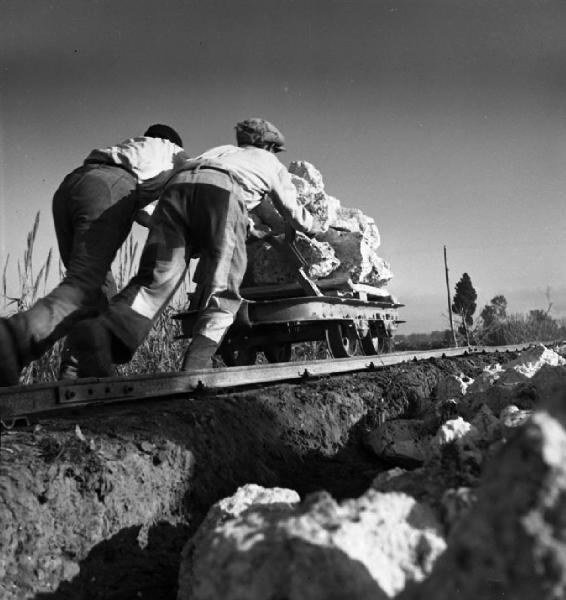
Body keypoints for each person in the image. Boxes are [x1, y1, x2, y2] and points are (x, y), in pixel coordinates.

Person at [65, 118, 325, 377]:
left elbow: (206, 191)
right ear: (269, 147)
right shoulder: (270, 163)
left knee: (155, 281)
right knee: (223, 289)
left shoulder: (219, 152)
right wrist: (315, 227)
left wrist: (248, 229)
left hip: (176, 192)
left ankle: (93, 342)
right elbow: (291, 213)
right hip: (222, 196)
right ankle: (196, 366)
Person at [0, 124, 186, 385]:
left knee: (94, 291)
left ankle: (77, 372)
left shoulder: (132, 149)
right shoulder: (174, 153)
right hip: (108, 188)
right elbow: (175, 201)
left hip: (71, 187)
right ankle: (12, 340)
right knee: (85, 288)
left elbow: (146, 215)